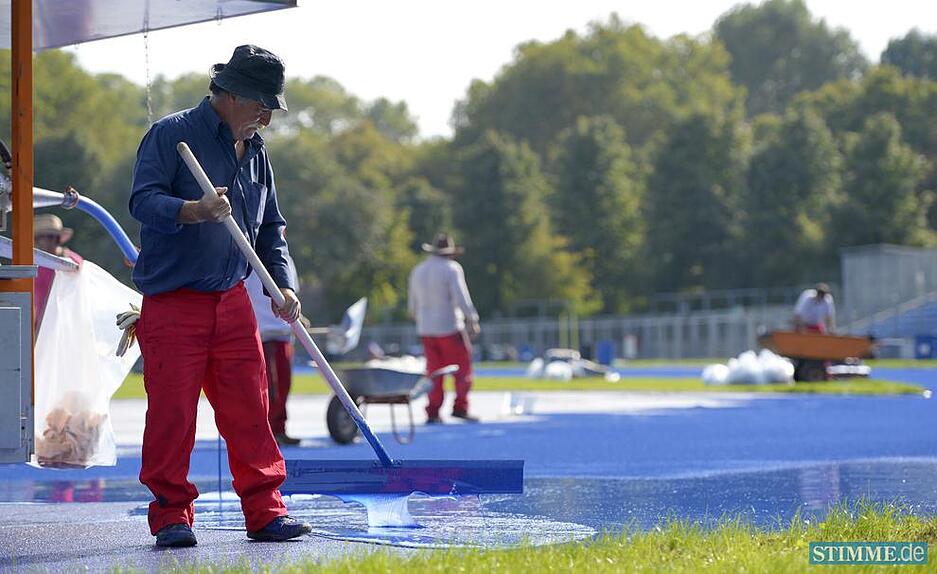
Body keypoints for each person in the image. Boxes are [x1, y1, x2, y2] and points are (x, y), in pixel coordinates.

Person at [129, 45, 310, 547]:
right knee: (172, 415)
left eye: (271, 108)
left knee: (251, 410)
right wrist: (193, 210)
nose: (267, 118)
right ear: (230, 95)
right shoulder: (171, 134)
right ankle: (171, 516)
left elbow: (272, 228)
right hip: (172, 303)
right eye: (261, 106)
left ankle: (266, 511)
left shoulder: (256, 153)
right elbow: (142, 200)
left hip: (234, 301)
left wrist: (283, 284)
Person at [408, 233, 481, 424]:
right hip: (448, 327)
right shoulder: (451, 269)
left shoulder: (418, 271)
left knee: (433, 372)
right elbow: (461, 297)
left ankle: (432, 411)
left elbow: (412, 305)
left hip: (426, 329)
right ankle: (460, 407)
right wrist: (472, 319)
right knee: (463, 369)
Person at [246, 270, 301, 447]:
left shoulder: (285, 259)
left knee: (284, 385)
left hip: (283, 333)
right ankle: (266, 432)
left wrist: (299, 316)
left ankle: (279, 429)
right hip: (262, 333)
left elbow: (291, 295)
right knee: (269, 388)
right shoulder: (250, 259)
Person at [33, 213, 83, 330]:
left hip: (69, 322)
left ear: (58, 238)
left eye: (51, 236)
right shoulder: (34, 263)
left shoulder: (72, 261)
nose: (48, 241)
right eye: (43, 237)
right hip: (41, 323)